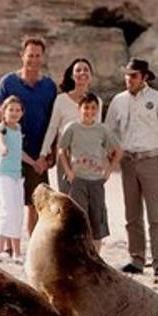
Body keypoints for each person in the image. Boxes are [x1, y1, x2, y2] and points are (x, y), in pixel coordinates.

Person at [104, 57, 158, 277]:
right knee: (132, 215)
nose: (129, 79)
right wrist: (110, 157)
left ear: (145, 77)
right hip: (127, 161)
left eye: (134, 75)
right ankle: (136, 259)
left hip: (151, 160)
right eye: (127, 75)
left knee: (156, 214)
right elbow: (109, 131)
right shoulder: (118, 101)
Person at [0, 36, 58, 236]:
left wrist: (51, 152)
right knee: (11, 203)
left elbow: (53, 123)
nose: (34, 60)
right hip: (10, 152)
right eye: (30, 55)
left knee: (36, 204)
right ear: (22, 56)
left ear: (43, 58)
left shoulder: (49, 86)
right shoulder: (8, 82)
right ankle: (9, 245)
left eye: (38, 56)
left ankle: (32, 245)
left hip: (37, 154)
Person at [58, 92, 121, 252]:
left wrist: (108, 172)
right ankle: (79, 254)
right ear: (80, 108)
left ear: (98, 110)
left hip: (96, 181)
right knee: (78, 218)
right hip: (78, 179)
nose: (89, 111)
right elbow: (62, 150)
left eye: (93, 108)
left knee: (97, 218)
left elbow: (118, 151)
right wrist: (69, 171)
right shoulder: (72, 128)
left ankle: (96, 255)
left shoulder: (102, 130)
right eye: (86, 108)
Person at [41, 57, 101, 195]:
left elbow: (98, 132)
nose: (82, 73)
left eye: (86, 70)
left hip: (89, 159)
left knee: (87, 202)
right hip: (65, 157)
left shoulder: (97, 101)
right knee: (67, 200)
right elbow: (53, 128)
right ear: (72, 75)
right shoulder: (61, 100)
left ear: (91, 76)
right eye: (78, 70)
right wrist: (43, 154)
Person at [0, 95, 26, 262]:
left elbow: (20, 152)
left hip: (17, 176)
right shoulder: (1, 128)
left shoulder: (18, 129)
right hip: (3, 174)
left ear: (22, 113)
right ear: (3, 112)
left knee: (18, 212)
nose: (14, 113)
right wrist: (2, 149)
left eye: (17, 110)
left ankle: (17, 252)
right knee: (8, 209)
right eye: (10, 109)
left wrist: (34, 162)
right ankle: (0, 249)